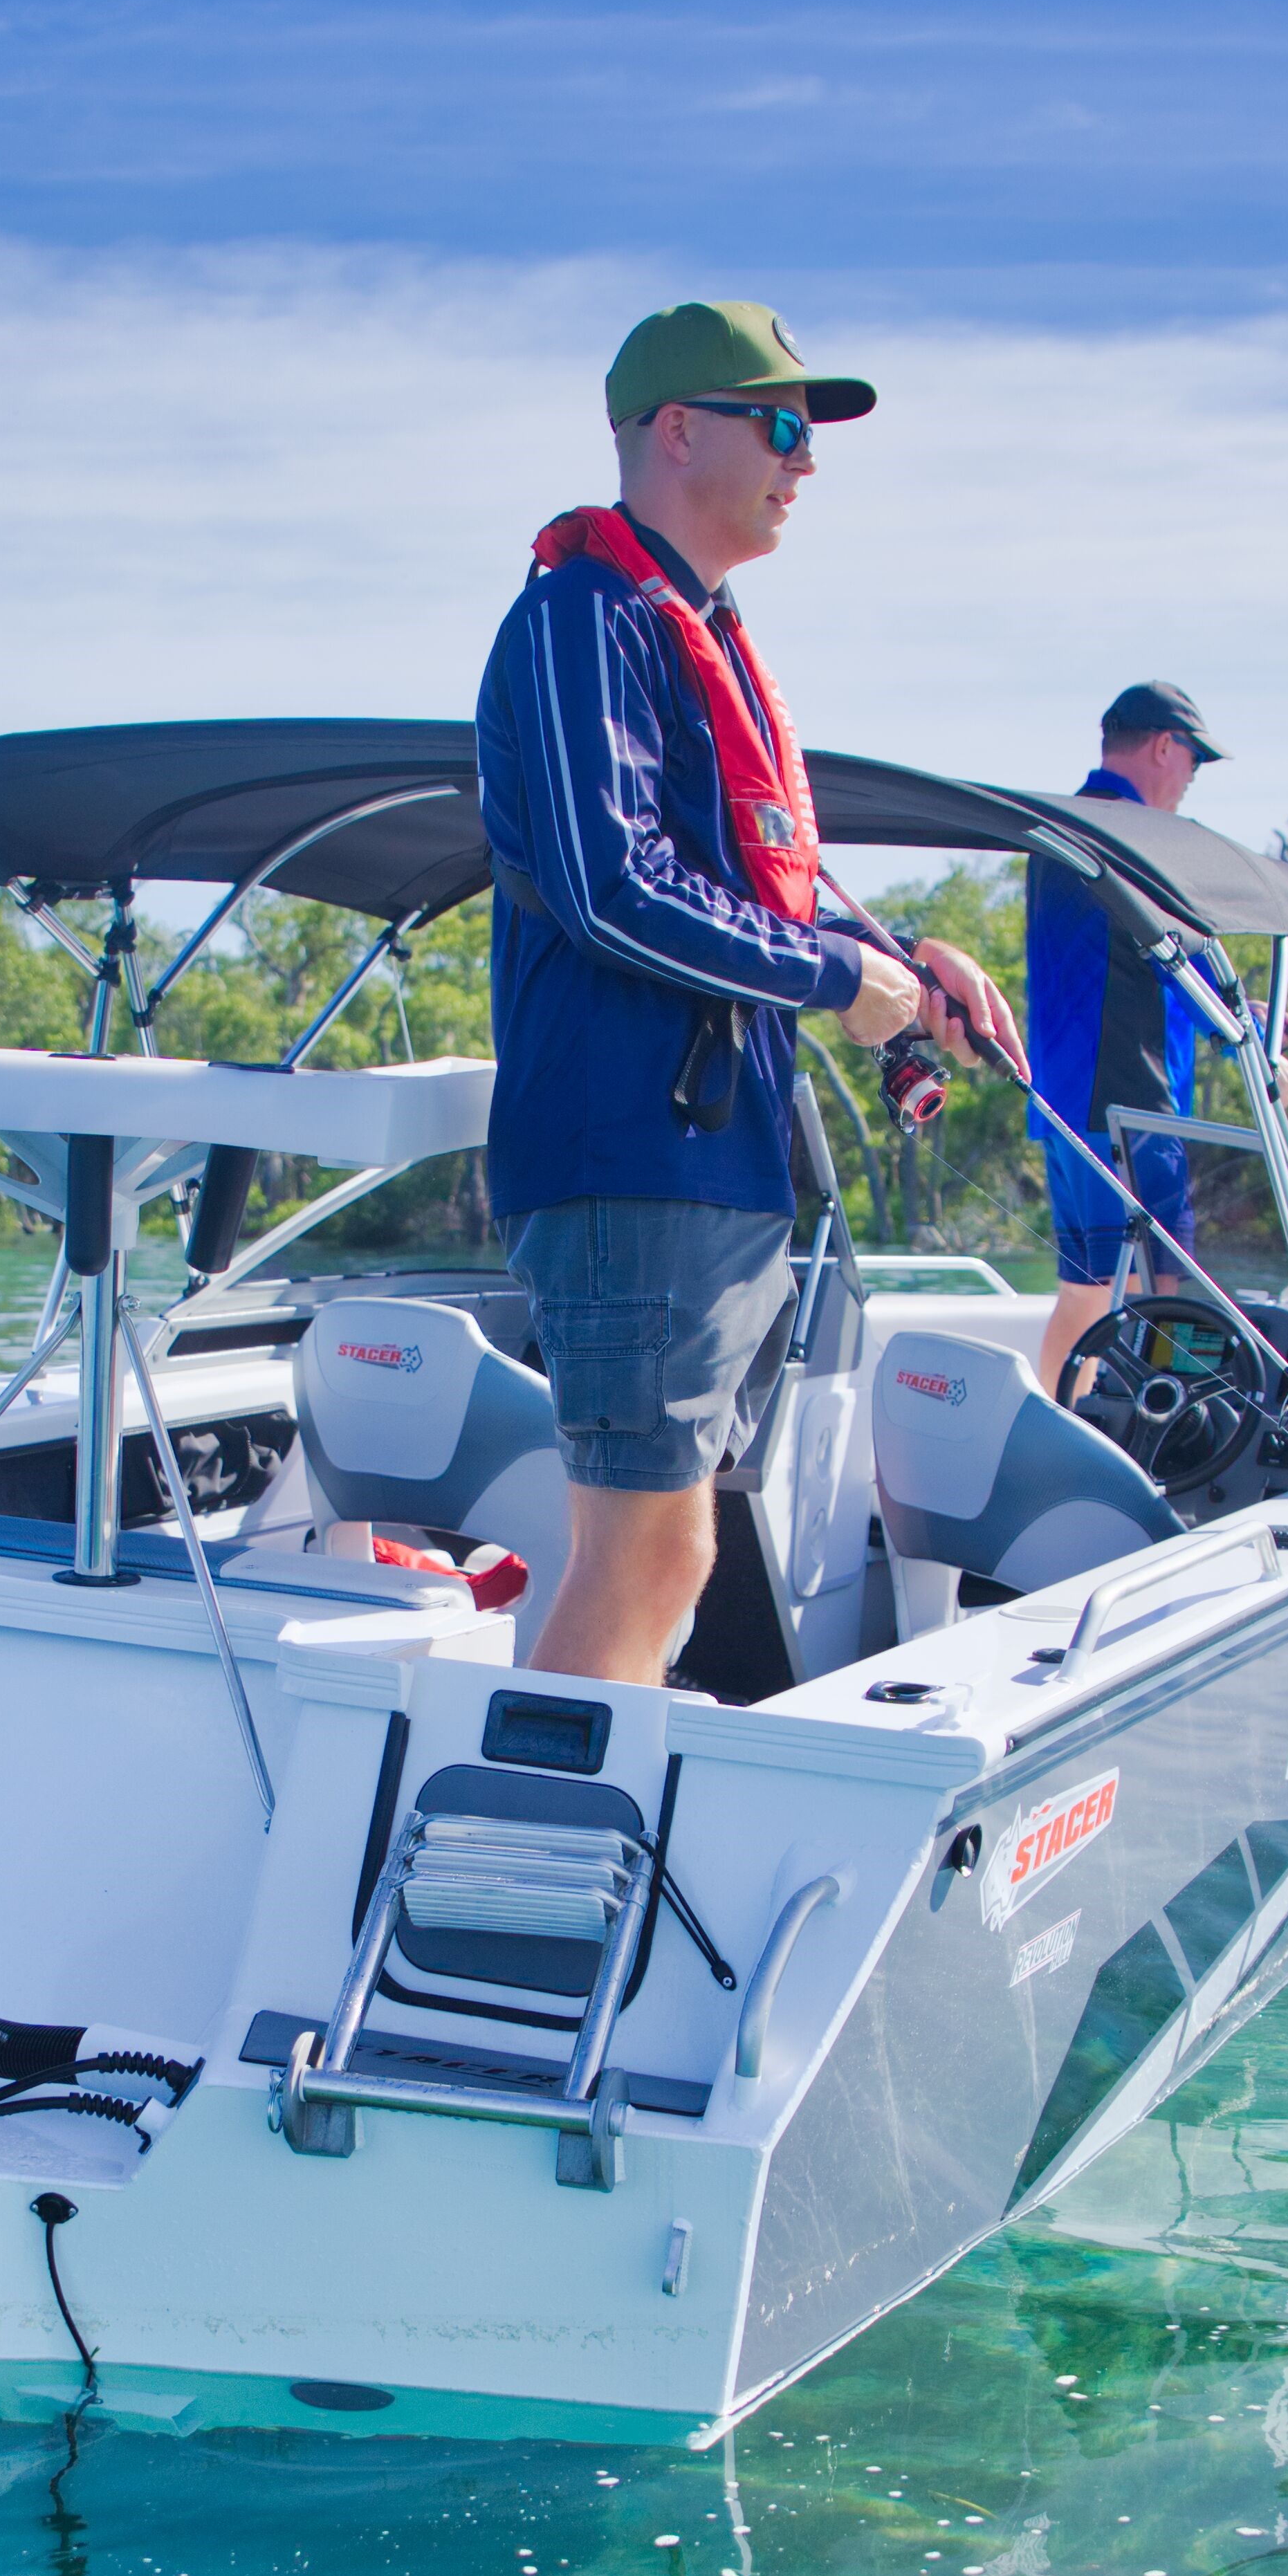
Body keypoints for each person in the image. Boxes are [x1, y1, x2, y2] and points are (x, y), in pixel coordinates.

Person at [472, 299, 1020, 1686]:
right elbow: (616, 889)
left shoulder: (682, 627)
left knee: (675, 1553)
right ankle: (527, 1877)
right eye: (782, 426)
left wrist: (904, 953)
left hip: (704, 1167)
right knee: (646, 1555)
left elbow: (754, 874)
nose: (805, 462)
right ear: (676, 432)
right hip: (632, 1163)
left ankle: (581, 1855)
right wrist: (839, 981)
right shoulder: (580, 622)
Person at [1027, 679, 1223, 1395]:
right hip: (1131, 1111)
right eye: (1193, 764)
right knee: (1168, 1287)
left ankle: (1052, 1441)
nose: (1191, 782)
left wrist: (1247, 1014)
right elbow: (1189, 961)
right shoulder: (1139, 837)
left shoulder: (1057, 831)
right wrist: (1249, 1040)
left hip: (1062, 1109)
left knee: (1084, 1293)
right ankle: (1171, 1453)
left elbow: (1127, 964)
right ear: (1166, 747)